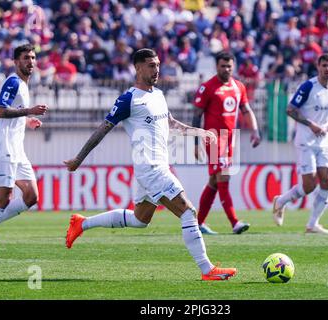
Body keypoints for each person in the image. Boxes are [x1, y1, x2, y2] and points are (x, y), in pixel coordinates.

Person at [63, 48, 237, 281]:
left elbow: (171, 123)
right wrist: (78, 159)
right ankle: (207, 269)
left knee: (139, 220)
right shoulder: (129, 99)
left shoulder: (158, 95)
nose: (156, 70)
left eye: (157, 65)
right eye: (151, 65)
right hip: (151, 169)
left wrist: (198, 132)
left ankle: (82, 224)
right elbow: (102, 130)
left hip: (153, 169)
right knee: (188, 212)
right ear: (138, 68)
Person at [0, 44, 48, 256]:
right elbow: (0, 111)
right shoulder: (14, 81)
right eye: (26, 58)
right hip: (6, 148)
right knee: (4, 197)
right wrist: (29, 111)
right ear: (16, 61)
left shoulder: (24, 86)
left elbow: (13, 114)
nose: (31, 62)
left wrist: (27, 120)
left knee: (31, 196)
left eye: (33, 58)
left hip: (17, 150)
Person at [272, 53, 328, 235]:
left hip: (324, 140)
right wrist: (311, 124)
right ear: (318, 67)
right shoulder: (308, 86)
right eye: (324, 65)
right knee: (309, 185)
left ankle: (312, 224)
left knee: (327, 180)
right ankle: (280, 201)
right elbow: (290, 109)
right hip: (305, 140)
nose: (327, 69)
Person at [192, 51, 261, 235]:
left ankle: (198, 223)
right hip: (214, 139)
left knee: (214, 181)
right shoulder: (207, 88)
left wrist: (255, 130)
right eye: (223, 66)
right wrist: (196, 143)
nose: (226, 69)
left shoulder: (239, 87)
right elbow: (196, 116)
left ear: (234, 66)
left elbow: (246, 109)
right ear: (216, 66)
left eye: (229, 66)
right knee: (224, 177)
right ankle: (234, 222)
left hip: (231, 140)